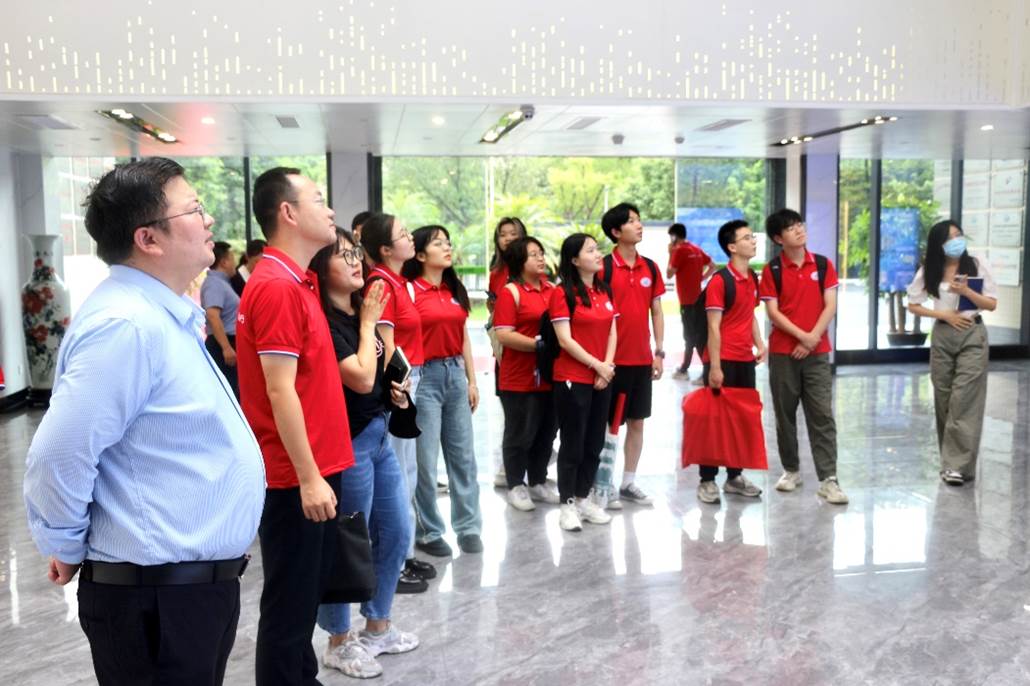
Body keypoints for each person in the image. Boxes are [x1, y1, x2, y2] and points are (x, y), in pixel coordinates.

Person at [23, 157, 265, 686]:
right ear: (148, 238)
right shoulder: (126, 325)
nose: (208, 219)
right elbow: (59, 453)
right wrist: (65, 544)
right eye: (194, 209)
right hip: (156, 598)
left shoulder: (158, 314)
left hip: (185, 592)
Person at [236, 167, 355, 686]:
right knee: (289, 609)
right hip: (297, 476)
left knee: (303, 601)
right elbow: (278, 390)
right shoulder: (277, 287)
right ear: (287, 212)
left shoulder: (297, 281)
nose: (330, 210)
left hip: (317, 467)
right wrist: (309, 477)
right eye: (319, 199)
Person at [310, 227, 421, 680]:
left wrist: (395, 390)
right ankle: (338, 640)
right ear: (321, 269)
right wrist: (368, 323)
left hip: (377, 434)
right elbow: (357, 376)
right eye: (343, 255)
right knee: (348, 542)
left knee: (395, 531)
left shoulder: (359, 312)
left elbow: (374, 375)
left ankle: (377, 626)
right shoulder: (325, 320)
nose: (356, 261)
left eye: (356, 252)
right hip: (346, 443)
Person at [360, 213, 437, 584]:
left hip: (412, 378)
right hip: (400, 383)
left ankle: (402, 555)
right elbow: (387, 344)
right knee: (397, 473)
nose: (410, 238)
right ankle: (393, 561)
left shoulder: (398, 281)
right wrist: (400, 389)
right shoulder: (381, 283)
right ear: (386, 249)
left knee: (407, 470)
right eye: (403, 235)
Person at [402, 225, 484, 555]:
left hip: (455, 375)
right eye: (438, 243)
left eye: (448, 242)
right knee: (425, 460)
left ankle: (469, 526)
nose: (447, 247)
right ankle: (428, 531)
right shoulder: (410, 290)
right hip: (424, 377)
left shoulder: (453, 289)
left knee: (463, 456)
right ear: (421, 254)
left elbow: (463, 336)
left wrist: (472, 380)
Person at [761, 209, 848, 504]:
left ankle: (829, 479)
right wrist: (803, 336)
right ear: (778, 238)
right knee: (784, 414)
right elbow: (773, 313)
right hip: (783, 354)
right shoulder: (772, 270)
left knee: (822, 414)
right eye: (790, 228)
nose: (799, 230)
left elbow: (830, 305)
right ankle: (791, 470)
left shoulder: (822, 265)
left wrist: (811, 340)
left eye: (800, 224)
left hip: (817, 353)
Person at [906, 220, 997, 486]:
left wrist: (966, 290)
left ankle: (957, 466)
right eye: (950, 238)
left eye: (959, 235)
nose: (956, 241)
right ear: (939, 244)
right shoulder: (930, 270)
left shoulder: (976, 264)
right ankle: (951, 463)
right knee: (944, 397)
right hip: (943, 335)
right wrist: (944, 315)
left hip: (972, 332)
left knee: (964, 399)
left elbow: (991, 304)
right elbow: (913, 304)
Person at [599, 202, 665, 508]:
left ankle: (628, 482)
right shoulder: (603, 267)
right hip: (611, 362)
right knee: (607, 425)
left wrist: (659, 351)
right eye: (632, 221)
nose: (639, 225)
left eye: (639, 220)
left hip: (641, 359)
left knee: (637, 422)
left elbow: (657, 311)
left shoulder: (650, 267)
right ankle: (603, 483)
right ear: (616, 231)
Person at [550, 233, 618, 531]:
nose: (598, 253)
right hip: (572, 378)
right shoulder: (562, 293)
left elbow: (613, 331)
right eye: (590, 250)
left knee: (594, 443)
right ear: (575, 260)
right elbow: (565, 340)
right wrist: (597, 365)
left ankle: (582, 498)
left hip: (602, 377)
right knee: (573, 443)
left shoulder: (604, 290)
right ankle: (566, 505)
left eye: (597, 248)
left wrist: (607, 367)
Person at [698, 219, 766, 504]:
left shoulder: (751, 277)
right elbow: (713, 327)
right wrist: (715, 367)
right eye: (747, 238)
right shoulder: (719, 281)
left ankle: (734, 477)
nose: (753, 241)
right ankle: (707, 479)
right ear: (732, 247)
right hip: (721, 359)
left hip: (744, 359)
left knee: (740, 420)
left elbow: (749, 314)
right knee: (715, 422)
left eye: (752, 237)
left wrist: (760, 344)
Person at [493, 236, 560, 511]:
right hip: (519, 376)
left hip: (549, 375)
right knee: (520, 433)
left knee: (547, 432)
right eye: (533, 254)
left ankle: (537, 480)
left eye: (541, 253)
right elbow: (504, 334)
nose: (541, 258)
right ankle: (515, 485)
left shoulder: (553, 290)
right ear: (519, 261)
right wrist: (539, 345)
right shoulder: (511, 292)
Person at [487, 216, 528, 486]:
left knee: (533, 414)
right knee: (512, 412)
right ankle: (510, 468)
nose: (508, 238)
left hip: (532, 349)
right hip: (505, 351)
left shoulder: (536, 269)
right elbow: (494, 310)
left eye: (513, 233)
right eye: (503, 234)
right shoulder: (496, 273)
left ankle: (531, 464)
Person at [666, 222, 716, 383]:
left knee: (691, 337)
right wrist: (701, 278)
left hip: (687, 301)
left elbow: (669, 274)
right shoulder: (695, 249)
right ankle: (687, 368)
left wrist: (670, 253)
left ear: (674, 236)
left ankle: (700, 371)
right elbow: (712, 265)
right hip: (699, 300)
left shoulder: (679, 251)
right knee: (697, 336)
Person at [202, 241, 242, 398]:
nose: (235, 264)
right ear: (224, 262)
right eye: (232, 259)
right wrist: (226, 347)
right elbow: (212, 314)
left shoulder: (222, 283)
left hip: (227, 342)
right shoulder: (215, 283)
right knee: (229, 391)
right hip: (222, 344)